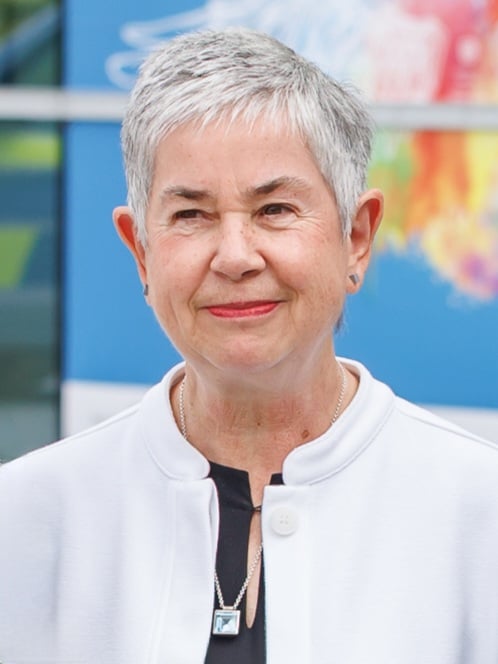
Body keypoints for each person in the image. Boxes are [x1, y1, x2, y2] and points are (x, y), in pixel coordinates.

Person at [1, 27, 497, 664]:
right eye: (191, 215)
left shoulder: (477, 510)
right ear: (141, 252)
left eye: (275, 210)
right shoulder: (30, 514)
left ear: (356, 237)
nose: (235, 257)